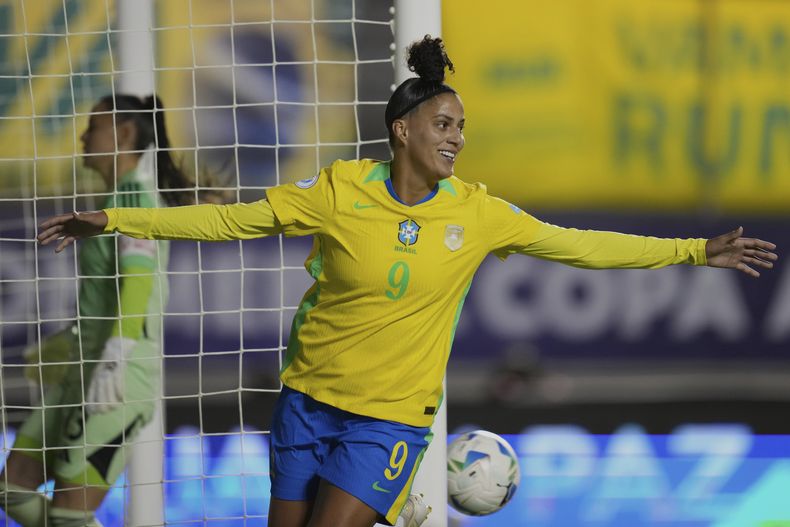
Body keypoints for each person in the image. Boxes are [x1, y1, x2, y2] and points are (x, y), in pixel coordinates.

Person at [34, 37, 777, 527]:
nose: (457, 138)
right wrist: (116, 219)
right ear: (403, 129)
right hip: (306, 400)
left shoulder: (479, 213)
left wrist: (692, 251)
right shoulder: (339, 190)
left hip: (386, 421)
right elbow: (233, 220)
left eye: (461, 127)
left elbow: (579, 245)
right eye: (444, 124)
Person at [0, 94, 221, 527]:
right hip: (84, 367)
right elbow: (106, 293)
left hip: (118, 377)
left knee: (68, 514)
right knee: (12, 488)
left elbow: (138, 282)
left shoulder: (135, 197)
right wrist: (70, 343)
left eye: (93, 126)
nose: (83, 136)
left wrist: (117, 352)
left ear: (123, 133)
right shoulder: (115, 197)